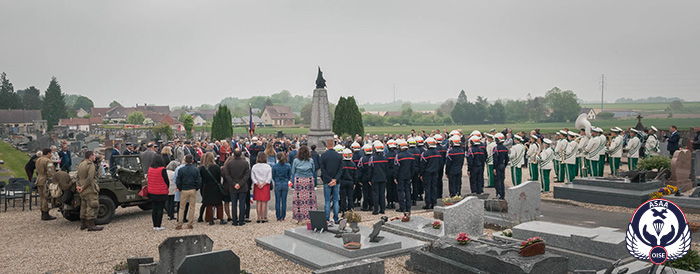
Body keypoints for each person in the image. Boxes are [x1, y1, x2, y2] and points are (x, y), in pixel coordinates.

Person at [223, 148, 251, 226]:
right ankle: (241, 220)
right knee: (242, 204)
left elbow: (227, 175)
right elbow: (247, 175)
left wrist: (234, 183)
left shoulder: (229, 163)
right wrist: (240, 183)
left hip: (233, 186)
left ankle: (234, 221)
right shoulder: (245, 163)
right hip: (242, 186)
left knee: (234, 204)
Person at [292, 144, 317, 223]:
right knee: (310, 199)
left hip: (299, 179)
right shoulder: (311, 160)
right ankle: (310, 216)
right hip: (308, 179)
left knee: (299, 200)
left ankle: (299, 217)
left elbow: (293, 171)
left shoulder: (296, 160)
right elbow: (313, 170)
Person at [175, 155, 201, 230]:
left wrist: (180, 188)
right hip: (192, 188)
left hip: (184, 189)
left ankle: (180, 223)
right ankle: (190, 223)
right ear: (192, 161)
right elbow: (199, 180)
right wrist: (197, 188)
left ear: (185, 160)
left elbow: (178, 181)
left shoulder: (181, 170)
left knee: (181, 207)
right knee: (192, 207)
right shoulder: (195, 169)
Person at [200, 152, 226, 225]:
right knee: (219, 204)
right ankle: (221, 218)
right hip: (216, 186)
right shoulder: (216, 167)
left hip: (207, 186)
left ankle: (210, 219)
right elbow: (219, 177)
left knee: (209, 204)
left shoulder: (202, 168)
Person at [320, 141, 343, 224]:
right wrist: (335, 179)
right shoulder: (339, 156)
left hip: (327, 181)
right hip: (336, 181)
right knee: (336, 200)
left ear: (326, 145)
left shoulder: (323, 156)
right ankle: (336, 218)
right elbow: (340, 169)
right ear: (333, 145)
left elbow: (323, 169)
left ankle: (327, 218)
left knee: (327, 200)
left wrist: (329, 179)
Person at [146, 156, 168, 231]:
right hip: (161, 191)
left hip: (152, 191)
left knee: (154, 208)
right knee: (160, 209)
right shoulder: (162, 170)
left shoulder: (150, 169)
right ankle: (158, 225)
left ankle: (154, 225)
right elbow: (166, 181)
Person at [394, 139, 415, 216]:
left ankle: (402, 207)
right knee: (408, 191)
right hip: (408, 175)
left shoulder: (398, 156)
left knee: (400, 192)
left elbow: (396, 168)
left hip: (400, 176)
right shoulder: (411, 155)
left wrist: (395, 177)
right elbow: (413, 168)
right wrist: (411, 176)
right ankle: (408, 207)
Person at [367, 141, 388, 215]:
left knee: (375, 194)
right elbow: (386, 169)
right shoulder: (385, 157)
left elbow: (370, 169)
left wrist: (369, 179)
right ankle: (382, 209)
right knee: (382, 194)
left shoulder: (372, 158)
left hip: (375, 178)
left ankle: (376, 209)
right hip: (383, 178)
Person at [35, 148, 57, 220]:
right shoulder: (48, 161)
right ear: (48, 153)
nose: (51, 155)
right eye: (50, 153)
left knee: (41, 197)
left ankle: (42, 212)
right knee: (45, 197)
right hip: (45, 180)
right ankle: (45, 213)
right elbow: (50, 172)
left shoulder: (38, 160)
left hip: (39, 179)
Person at [420, 137, 441, 209]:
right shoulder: (438, 153)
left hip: (427, 173)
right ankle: (434, 202)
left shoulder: (425, 154)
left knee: (427, 188)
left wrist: (421, 174)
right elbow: (440, 163)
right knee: (434, 187)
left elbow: (422, 165)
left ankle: (428, 203)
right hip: (435, 172)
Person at [251, 153, 272, 223]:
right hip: (265, 185)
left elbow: (252, 177)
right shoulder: (268, 167)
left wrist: (257, 183)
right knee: (264, 202)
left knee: (258, 202)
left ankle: (258, 217)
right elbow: (269, 178)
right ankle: (263, 217)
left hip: (257, 185)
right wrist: (263, 184)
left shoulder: (254, 166)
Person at [272, 152, 292, 221]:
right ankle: (283, 216)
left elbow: (273, 176)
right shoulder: (288, 166)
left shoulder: (275, 166)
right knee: (284, 200)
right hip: (284, 183)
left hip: (277, 183)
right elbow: (289, 175)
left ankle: (278, 216)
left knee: (277, 200)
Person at [339, 149, 358, 215]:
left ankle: (343, 211)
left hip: (343, 181)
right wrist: (355, 183)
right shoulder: (353, 164)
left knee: (343, 197)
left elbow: (340, 174)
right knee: (350, 197)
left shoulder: (341, 164)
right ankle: (351, 211)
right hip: (350, 182)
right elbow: (355, 175)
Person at [492, 133, 509, 199]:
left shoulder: (495, 148)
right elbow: (507, 159)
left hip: (498, 166)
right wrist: (504, 165)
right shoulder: (505, 148)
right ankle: (502, 194)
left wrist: (494, 168)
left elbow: (495, 159)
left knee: (497, 181)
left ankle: (498, 194)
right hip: (502, 165)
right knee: (502, 181)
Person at [384, 140, 398, 209]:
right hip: (395, 171)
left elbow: (385, 165)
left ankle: (389, 202)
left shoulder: (387, 155)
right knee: (395, 187)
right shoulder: (397, 154)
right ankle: (394, 202)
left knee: (389, 187)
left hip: (389, 172)